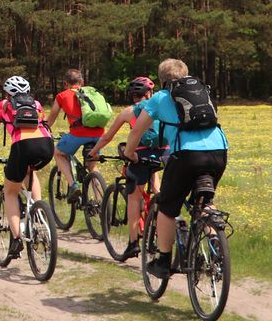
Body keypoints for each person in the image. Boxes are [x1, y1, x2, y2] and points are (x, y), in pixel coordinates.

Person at [123, 58, 228, 280]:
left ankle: (162, 260)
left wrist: (130, 153)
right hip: (219, 152)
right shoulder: (203, 91)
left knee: (167, 207)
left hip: (186, 155)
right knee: (204, 202)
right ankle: (216, 245)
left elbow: (136, 132)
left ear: (161, 80)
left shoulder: (160, 97)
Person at [0, 75, 54, 264]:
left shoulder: (3, 106)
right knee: (30, 172)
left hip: (22, 146)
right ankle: (38, 212)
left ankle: (17, 238)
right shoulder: (37, 104)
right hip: (46, 146)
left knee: (10, 191)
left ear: (7, 94)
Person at [89, 77, 163, 259]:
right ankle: (160, 222)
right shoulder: (162, 107)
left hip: (141, 156)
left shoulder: (130, 111)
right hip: (164, 154)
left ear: (132, 96)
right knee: (158, 191)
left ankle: (133, 243)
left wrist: (94, 152)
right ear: (149, 93)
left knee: (134, 198)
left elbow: (107, 137)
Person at [49, 69, 105, 195]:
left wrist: (45, 129)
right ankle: (101, 203)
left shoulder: (62, 96)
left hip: (78, 134)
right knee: (93, 166)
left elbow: (52, 118)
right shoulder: (92, 93)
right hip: (99, 134)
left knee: (58, 153)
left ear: (65, 84)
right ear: (82, 82)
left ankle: (73, 185)